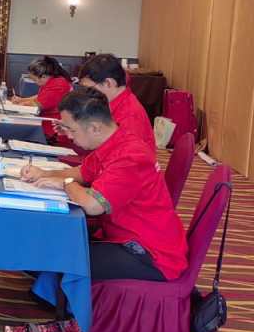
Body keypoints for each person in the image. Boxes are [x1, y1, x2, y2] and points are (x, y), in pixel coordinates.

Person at [20, 87, 187, 281]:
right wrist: (44, 173)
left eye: (71, 130)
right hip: (120, 235)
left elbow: (93, 205)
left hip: (150, 254)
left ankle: (62, 296)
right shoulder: (113, 141)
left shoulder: (131, 156)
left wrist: (65, 184)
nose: (69, 136)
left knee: (53, 256)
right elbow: (80, 173)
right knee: (47, 242)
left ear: (95, 128)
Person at [78, 53, 155, 148]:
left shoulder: (129, 115)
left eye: (89, 89)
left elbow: (125, 154)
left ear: (108, 83)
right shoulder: (114, 103)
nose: (87, 94)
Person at [12, 55, 72, 143]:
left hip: (52, 129)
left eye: (35, 80)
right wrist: (21, 100)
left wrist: (19, 105)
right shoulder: (52, 81)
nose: (35, 83)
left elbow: (37, 105)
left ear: (43, 76)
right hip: (45, 122)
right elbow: (40, 96)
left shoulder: (58, 84)